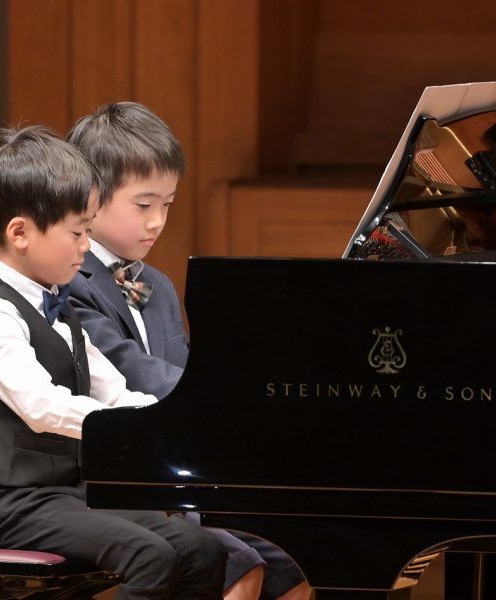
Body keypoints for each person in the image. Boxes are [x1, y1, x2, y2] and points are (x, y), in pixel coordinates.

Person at [0, 124, 227, 599]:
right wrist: (130, 426)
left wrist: (172, 422)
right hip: (9, 504)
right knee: (149, 556)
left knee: (201, 549)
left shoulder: (57, 305)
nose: (85, 246)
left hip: (68, 495)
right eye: (78, 232)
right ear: (20, 232)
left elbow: (112, 388)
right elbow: (43, 407)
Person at [66, 102, 312, 600]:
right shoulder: (70, 279)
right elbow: (132, 371)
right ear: (90, 198)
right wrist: (228, 399)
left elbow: (186, 370)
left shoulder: (155, 283)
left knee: (297, 558)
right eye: (143, 205)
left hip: (168, 480)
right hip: (100, 483)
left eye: (168, 205)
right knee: (238, 563)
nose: (157, 221)